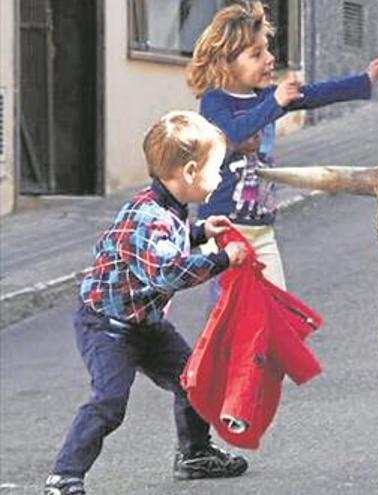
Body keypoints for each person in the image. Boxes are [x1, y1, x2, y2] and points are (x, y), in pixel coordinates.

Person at [43, 111, 250, 495]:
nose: (220, 177)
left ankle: (195, 455)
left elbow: (165, 245)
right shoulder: (148, 215)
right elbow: (168, 272)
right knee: (109, 401)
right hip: (108, 326)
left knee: (194, 378)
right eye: (216, 169)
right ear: (190, 172)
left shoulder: (168, 208)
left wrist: (200, 232)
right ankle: (64, 477)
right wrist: (223, 258)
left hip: (146, 322)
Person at [186, 1, 378, 292]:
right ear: (226, 62)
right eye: (257, 54)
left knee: (277, 304)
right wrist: (275, 103)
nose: (270, 58)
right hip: (223, 229)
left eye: (268, 49)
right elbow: (233, 133)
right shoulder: (214, 102)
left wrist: (366, 79)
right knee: (233, 311)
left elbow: (318, 94)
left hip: (262, 227)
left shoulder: (268, 96)